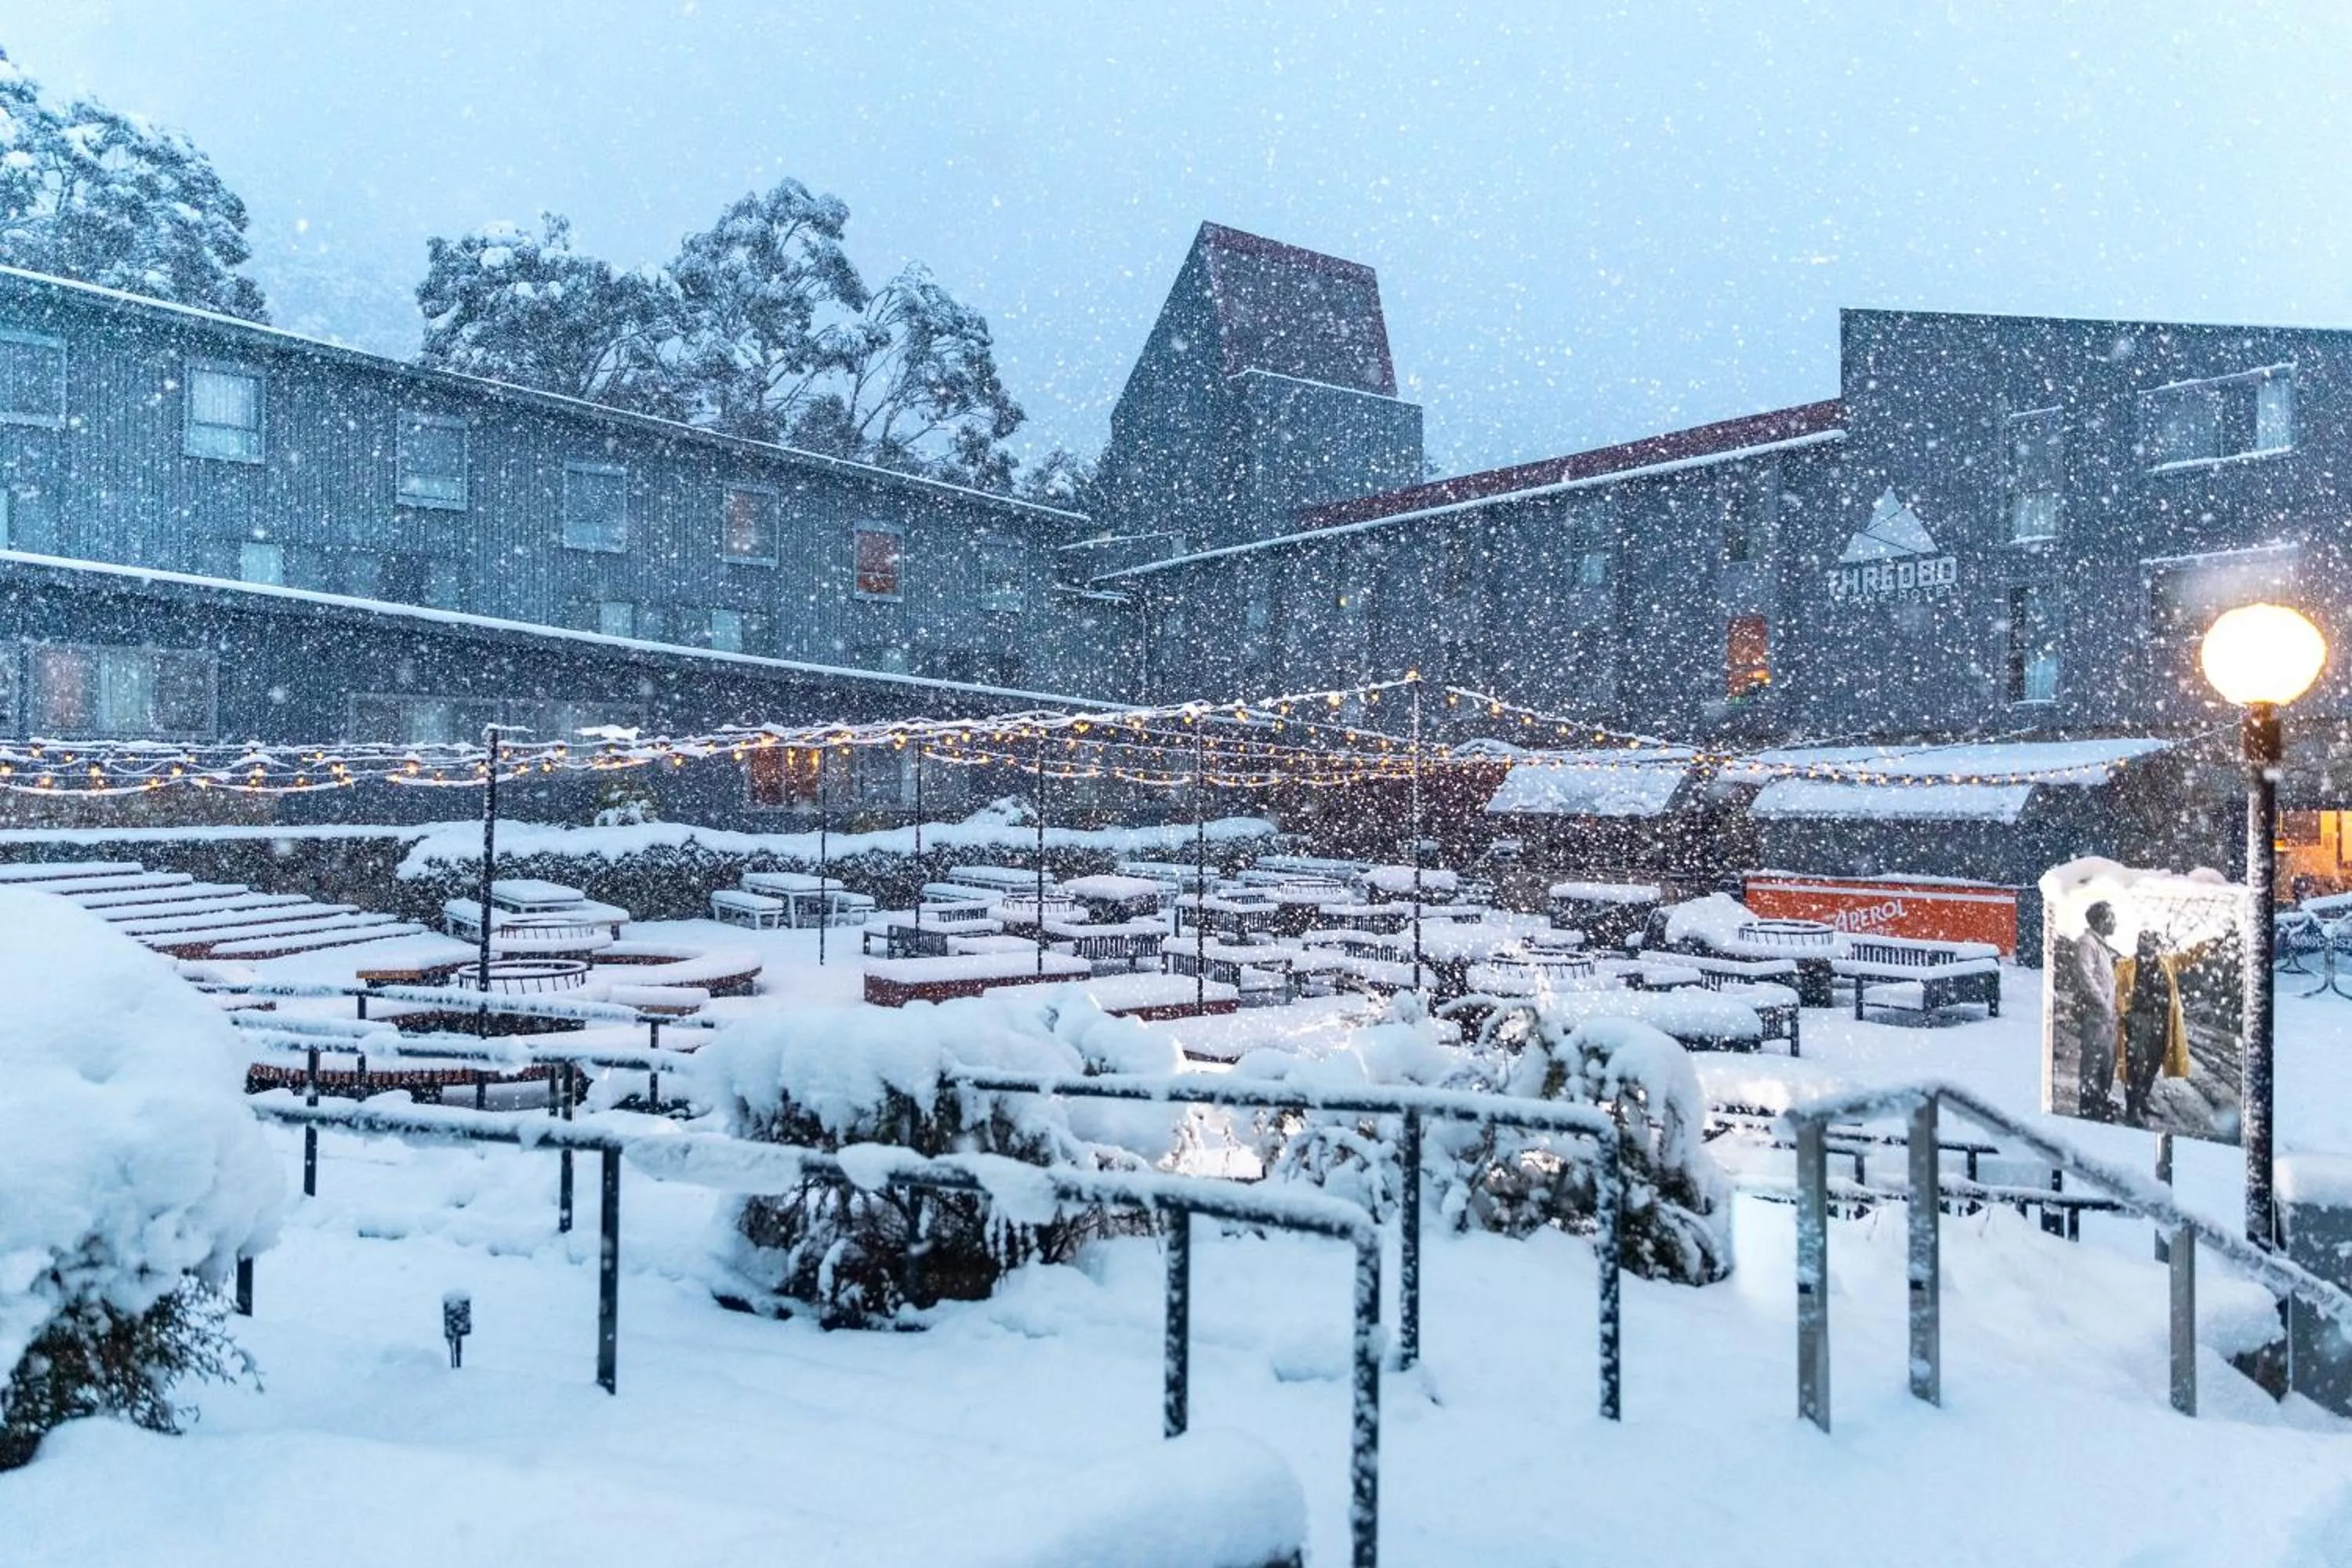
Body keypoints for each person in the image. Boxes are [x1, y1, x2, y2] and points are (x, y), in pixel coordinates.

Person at [2072, 902, 2121, 1120]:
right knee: (2093, 1061)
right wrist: (2101, 1002)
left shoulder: (2101, 945)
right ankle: (2089, 1108)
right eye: (2112, 918)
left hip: (2106, 1016)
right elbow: (2085, 976)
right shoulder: (2087, 943)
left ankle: (2100, 1102)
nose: (2115, 923)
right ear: (2101, 921)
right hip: (2095, 1014)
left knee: (2107, 1061)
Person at [2121, 930, 2171, 1126]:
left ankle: (2142, 1101)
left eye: (2149, 942)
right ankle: (2131, 1110)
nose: (2145, 945)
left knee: (2154, 1062)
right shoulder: (2130, 965)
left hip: (2159, 1019)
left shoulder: (2162, 965)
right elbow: (2126, 993)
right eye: (2142, 941)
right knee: (2136, 1064)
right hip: (2138, 1018)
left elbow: (2169, 991)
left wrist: (2162, 1001)